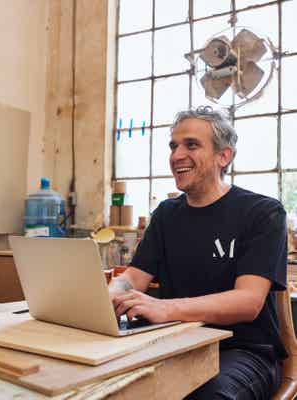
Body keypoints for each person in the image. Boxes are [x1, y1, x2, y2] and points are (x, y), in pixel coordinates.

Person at [109, 106, 287, 399]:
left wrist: (164, 308)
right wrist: (100, 299)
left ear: (223, 156)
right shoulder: (166, 214)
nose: (176, 155)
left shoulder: (262, 212)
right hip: (175, 343)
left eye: (191, 145)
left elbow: (248, 301)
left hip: (243, 351)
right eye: (173, 146)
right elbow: (132, 279)